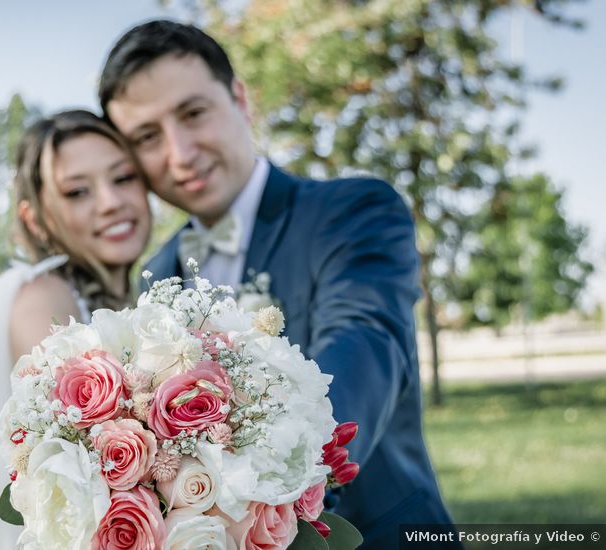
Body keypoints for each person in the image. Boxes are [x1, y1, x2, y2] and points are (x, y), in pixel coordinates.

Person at [99, 20, 459, 549]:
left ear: (240, 100)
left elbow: (363, 344)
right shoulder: (158, 270)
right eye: (147, 138)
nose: (179, 153)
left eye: (193, 113)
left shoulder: (354, 211)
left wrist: (276, 500)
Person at [0, 110, 151, 550]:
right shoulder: (43, 299)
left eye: (123, 178)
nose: (110, 202)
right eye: (77, 191)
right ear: (35, 219)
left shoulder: (114, 301)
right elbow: (92, 460)